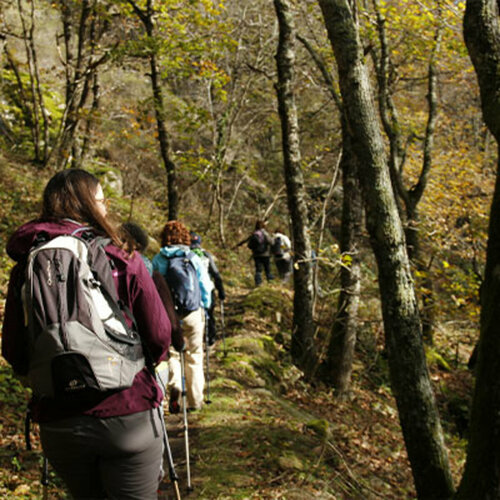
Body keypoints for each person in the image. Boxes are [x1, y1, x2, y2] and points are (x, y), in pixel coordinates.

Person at [2, 169, 172, 499]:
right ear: (91, 205)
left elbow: (13, 348)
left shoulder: (26, 266)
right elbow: (159, 334)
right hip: (128, 410)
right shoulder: (120, 255)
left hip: (59, 418)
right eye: (102, 200)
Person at [152, 221, 213, 412]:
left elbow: (154, 289)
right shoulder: (192, 257)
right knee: (194, 355)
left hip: (169, 315)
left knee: (172, 355)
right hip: (193, 312)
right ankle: (195, 401)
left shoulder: (158, 260)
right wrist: (205, 306)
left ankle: (175, 387)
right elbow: (205, 285)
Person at [121, 221, 185, 397]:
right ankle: (176, 388)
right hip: (150, 354)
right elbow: (167, 323)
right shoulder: (151, 272)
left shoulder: (104, 267)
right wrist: (176, 341)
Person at [190, 231, 226, 346]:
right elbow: (216, 274)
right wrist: (221, 291)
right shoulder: (206, 255)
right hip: (208, 289)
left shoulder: (185, 255)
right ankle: (211, 339)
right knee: (209, 314)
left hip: (191, 291)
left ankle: (196, 340)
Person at [241, 220, 274, 286]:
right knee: (267, 269)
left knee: (258, 269)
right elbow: (271, 242)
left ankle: (258, 283)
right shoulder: (265, 233)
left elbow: (249, 245)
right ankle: (270, 283)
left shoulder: (254, 233)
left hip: (256, 254)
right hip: (265, 254)